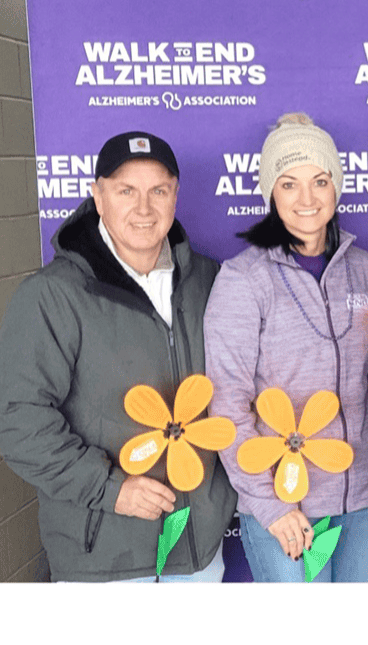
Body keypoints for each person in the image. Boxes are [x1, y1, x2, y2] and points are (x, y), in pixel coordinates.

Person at [0, 131, 235, 581]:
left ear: (175, 196)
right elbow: (19, 422)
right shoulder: (52, 295)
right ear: (98, 195)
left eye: (158, 191)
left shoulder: (210, 280)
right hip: (105, 560)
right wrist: (110, 490)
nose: (143, 208)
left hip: (200, 553)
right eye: (126, 190)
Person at [205, 113, 368, 582]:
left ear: (336, 187)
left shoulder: (366, 270)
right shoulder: (242, 279)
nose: (307, 199)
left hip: (367, 496)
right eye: (289, 184)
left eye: (320, 181)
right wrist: (268, 503)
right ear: (270, 194)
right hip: (285, 499)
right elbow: (226, 405)